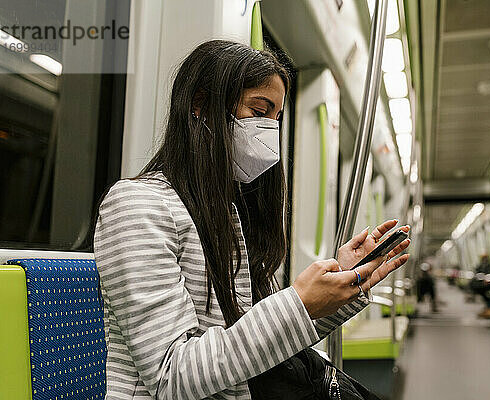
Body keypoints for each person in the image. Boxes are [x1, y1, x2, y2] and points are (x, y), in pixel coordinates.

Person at [93, 40, 411, 400]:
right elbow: (173, 375)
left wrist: (343, 282)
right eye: (259, 112)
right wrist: (300, 303)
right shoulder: (138, 206)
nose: (271, 133)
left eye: (276, 119)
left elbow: (254, 345)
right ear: (201, 106)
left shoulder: (227, 212)